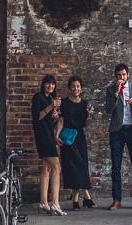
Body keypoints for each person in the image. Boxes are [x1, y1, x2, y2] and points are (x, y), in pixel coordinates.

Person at [105, 63, 132, 210]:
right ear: (115, 77)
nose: (121, 77)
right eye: (118, 75)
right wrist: (116, 93)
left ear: (128, 75)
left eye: (123, 75)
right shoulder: (111, 90)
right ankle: (117, 200)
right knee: (116, 166)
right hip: (117, 131)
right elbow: (109, 109)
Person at [31, 74, 66, 216]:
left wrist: (54, 116)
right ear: (43, 84)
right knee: (56, 167)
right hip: (43, 136)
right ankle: (55, 204)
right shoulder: (38, 97)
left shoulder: (50, 99)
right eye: (47, 83)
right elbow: (37, 117)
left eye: (52, 84)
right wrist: (51, 106)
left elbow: (48, 120)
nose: (50, 86)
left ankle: (43, 203)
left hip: (48, 134)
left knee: (46, 169)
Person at [60, 76, 96, 209]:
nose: (76, 89)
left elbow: (86, 124)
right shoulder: (64, 103)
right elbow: (61, 120)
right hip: (68, 137)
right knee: (74, 167)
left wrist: (89, 115)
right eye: (73, 86)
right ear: (70, 88)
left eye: (78, 86)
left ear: (81, 88)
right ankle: (86, 197)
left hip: (79, 137)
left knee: (81, 166)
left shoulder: (84, 103)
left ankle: (77, 199)